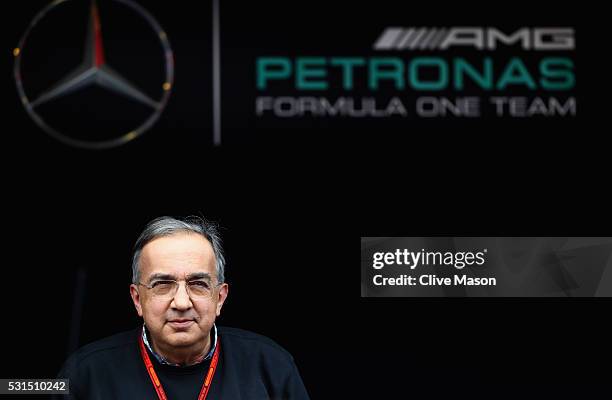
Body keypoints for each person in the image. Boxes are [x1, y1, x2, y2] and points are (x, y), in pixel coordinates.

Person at [56, 216, 310, 399]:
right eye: (163, 284)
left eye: (198, 284)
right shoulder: (86, 373)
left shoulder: (270, 366)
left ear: (219, 298)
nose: (181, 303)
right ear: (137, 299)